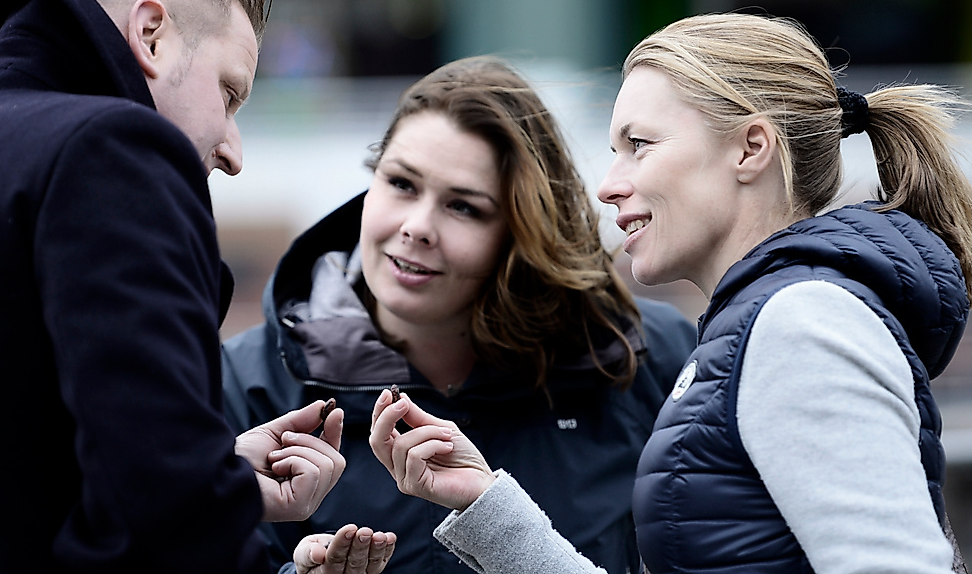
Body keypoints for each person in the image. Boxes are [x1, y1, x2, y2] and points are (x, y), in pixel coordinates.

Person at [369, 12, 972, 574]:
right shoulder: (764, 322)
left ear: (750, 148)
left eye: (640, 145)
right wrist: (489, 506)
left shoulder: (801, 323)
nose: (608, 186)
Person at [0, 0, 394, 572]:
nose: (232, 150)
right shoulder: (112, 149)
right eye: (228, 92)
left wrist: (214, 464)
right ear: (151, 35)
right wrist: (194, 481)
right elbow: (163, 523)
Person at [220, 56, 698, 574]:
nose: (417, 227)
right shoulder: (243, 383)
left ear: (521, 233)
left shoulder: (646, 357)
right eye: (401, 184)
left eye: (463, 207)